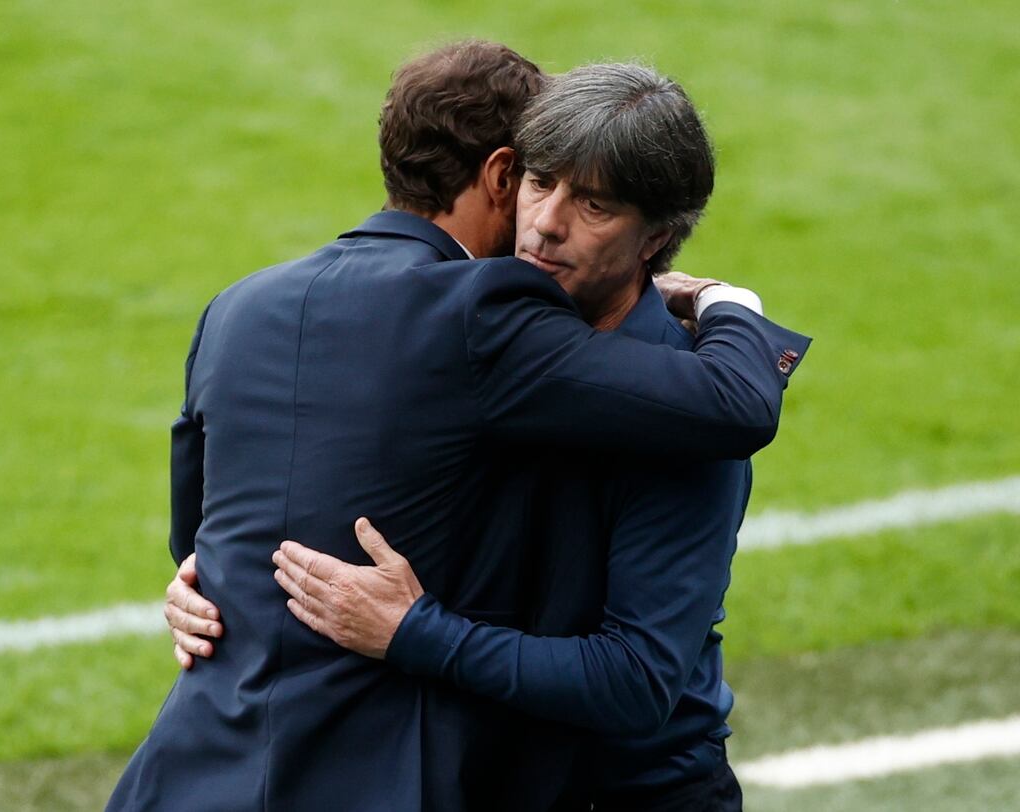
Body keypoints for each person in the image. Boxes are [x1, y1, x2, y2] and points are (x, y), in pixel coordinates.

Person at [112, 41, 808, 812]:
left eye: (595, 206)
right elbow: (213, 536)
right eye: (541, 184)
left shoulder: (678, 411)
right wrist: (217, 587)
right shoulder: (473, 329)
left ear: (653, 239)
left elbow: (632, 682)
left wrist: (416, 631)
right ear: (508, 177)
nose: (545, 226)